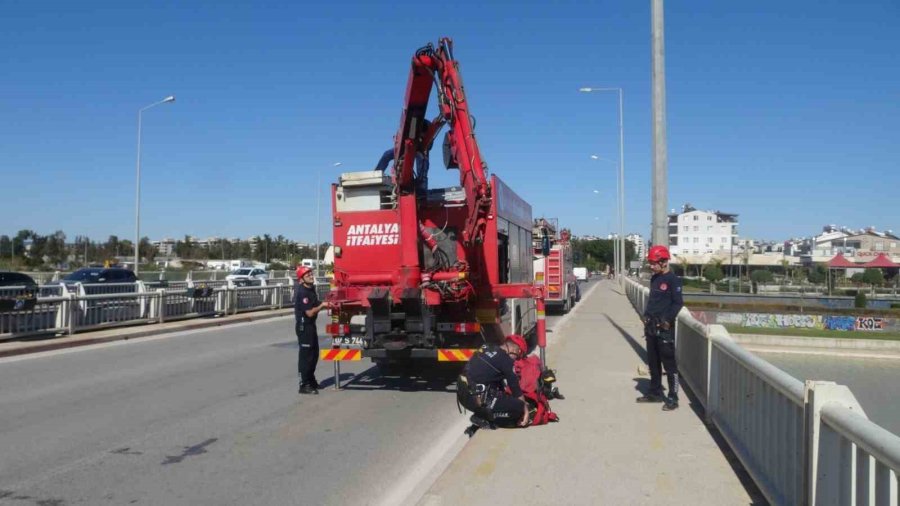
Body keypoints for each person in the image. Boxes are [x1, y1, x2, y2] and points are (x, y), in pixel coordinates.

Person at [636, 245, 684, 411]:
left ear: (664, 262)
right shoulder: (655, 278)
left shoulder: (673, 280)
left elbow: (678, 303)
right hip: (651, 327)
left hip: (665, 328)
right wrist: (646, 315)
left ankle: (673, 397)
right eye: (650, 262)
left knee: (669, 365)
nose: (651, 265)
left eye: (654, 262)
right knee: (653, 362)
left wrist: (667, 320)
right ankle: (655, 392)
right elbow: (654, 301)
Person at [458, 334, 530, 428]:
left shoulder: (487, 346)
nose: (516, 360)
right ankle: (483, 416)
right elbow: (515, 388)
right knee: (518, 408)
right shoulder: (506, 360)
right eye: (518, 357)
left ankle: (483, 413)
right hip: (474, 399)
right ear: (516, 351)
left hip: (462, 390)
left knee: (499, 388)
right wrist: (525, 409)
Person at [294, 265, 331, 395]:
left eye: (310, 273)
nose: (310, 275)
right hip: (304, 327)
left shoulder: (311, 289)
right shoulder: (303, 292)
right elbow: (309, 312)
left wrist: (326, 303)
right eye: (307, 274)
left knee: (314, 354)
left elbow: (315, 303)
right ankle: (304, 384)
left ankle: (311, 380)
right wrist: (322, 306)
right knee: (306, 356)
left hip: (311, 326)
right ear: (302, 279)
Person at [374, 120, 432, 195]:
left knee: (423, 163)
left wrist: (422, 147)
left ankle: (422, 188)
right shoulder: (410, 126)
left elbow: (428, 146)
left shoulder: (428, 129)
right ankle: (376, 176)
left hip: (420, 149)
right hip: (406, 146)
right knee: (387, 154)